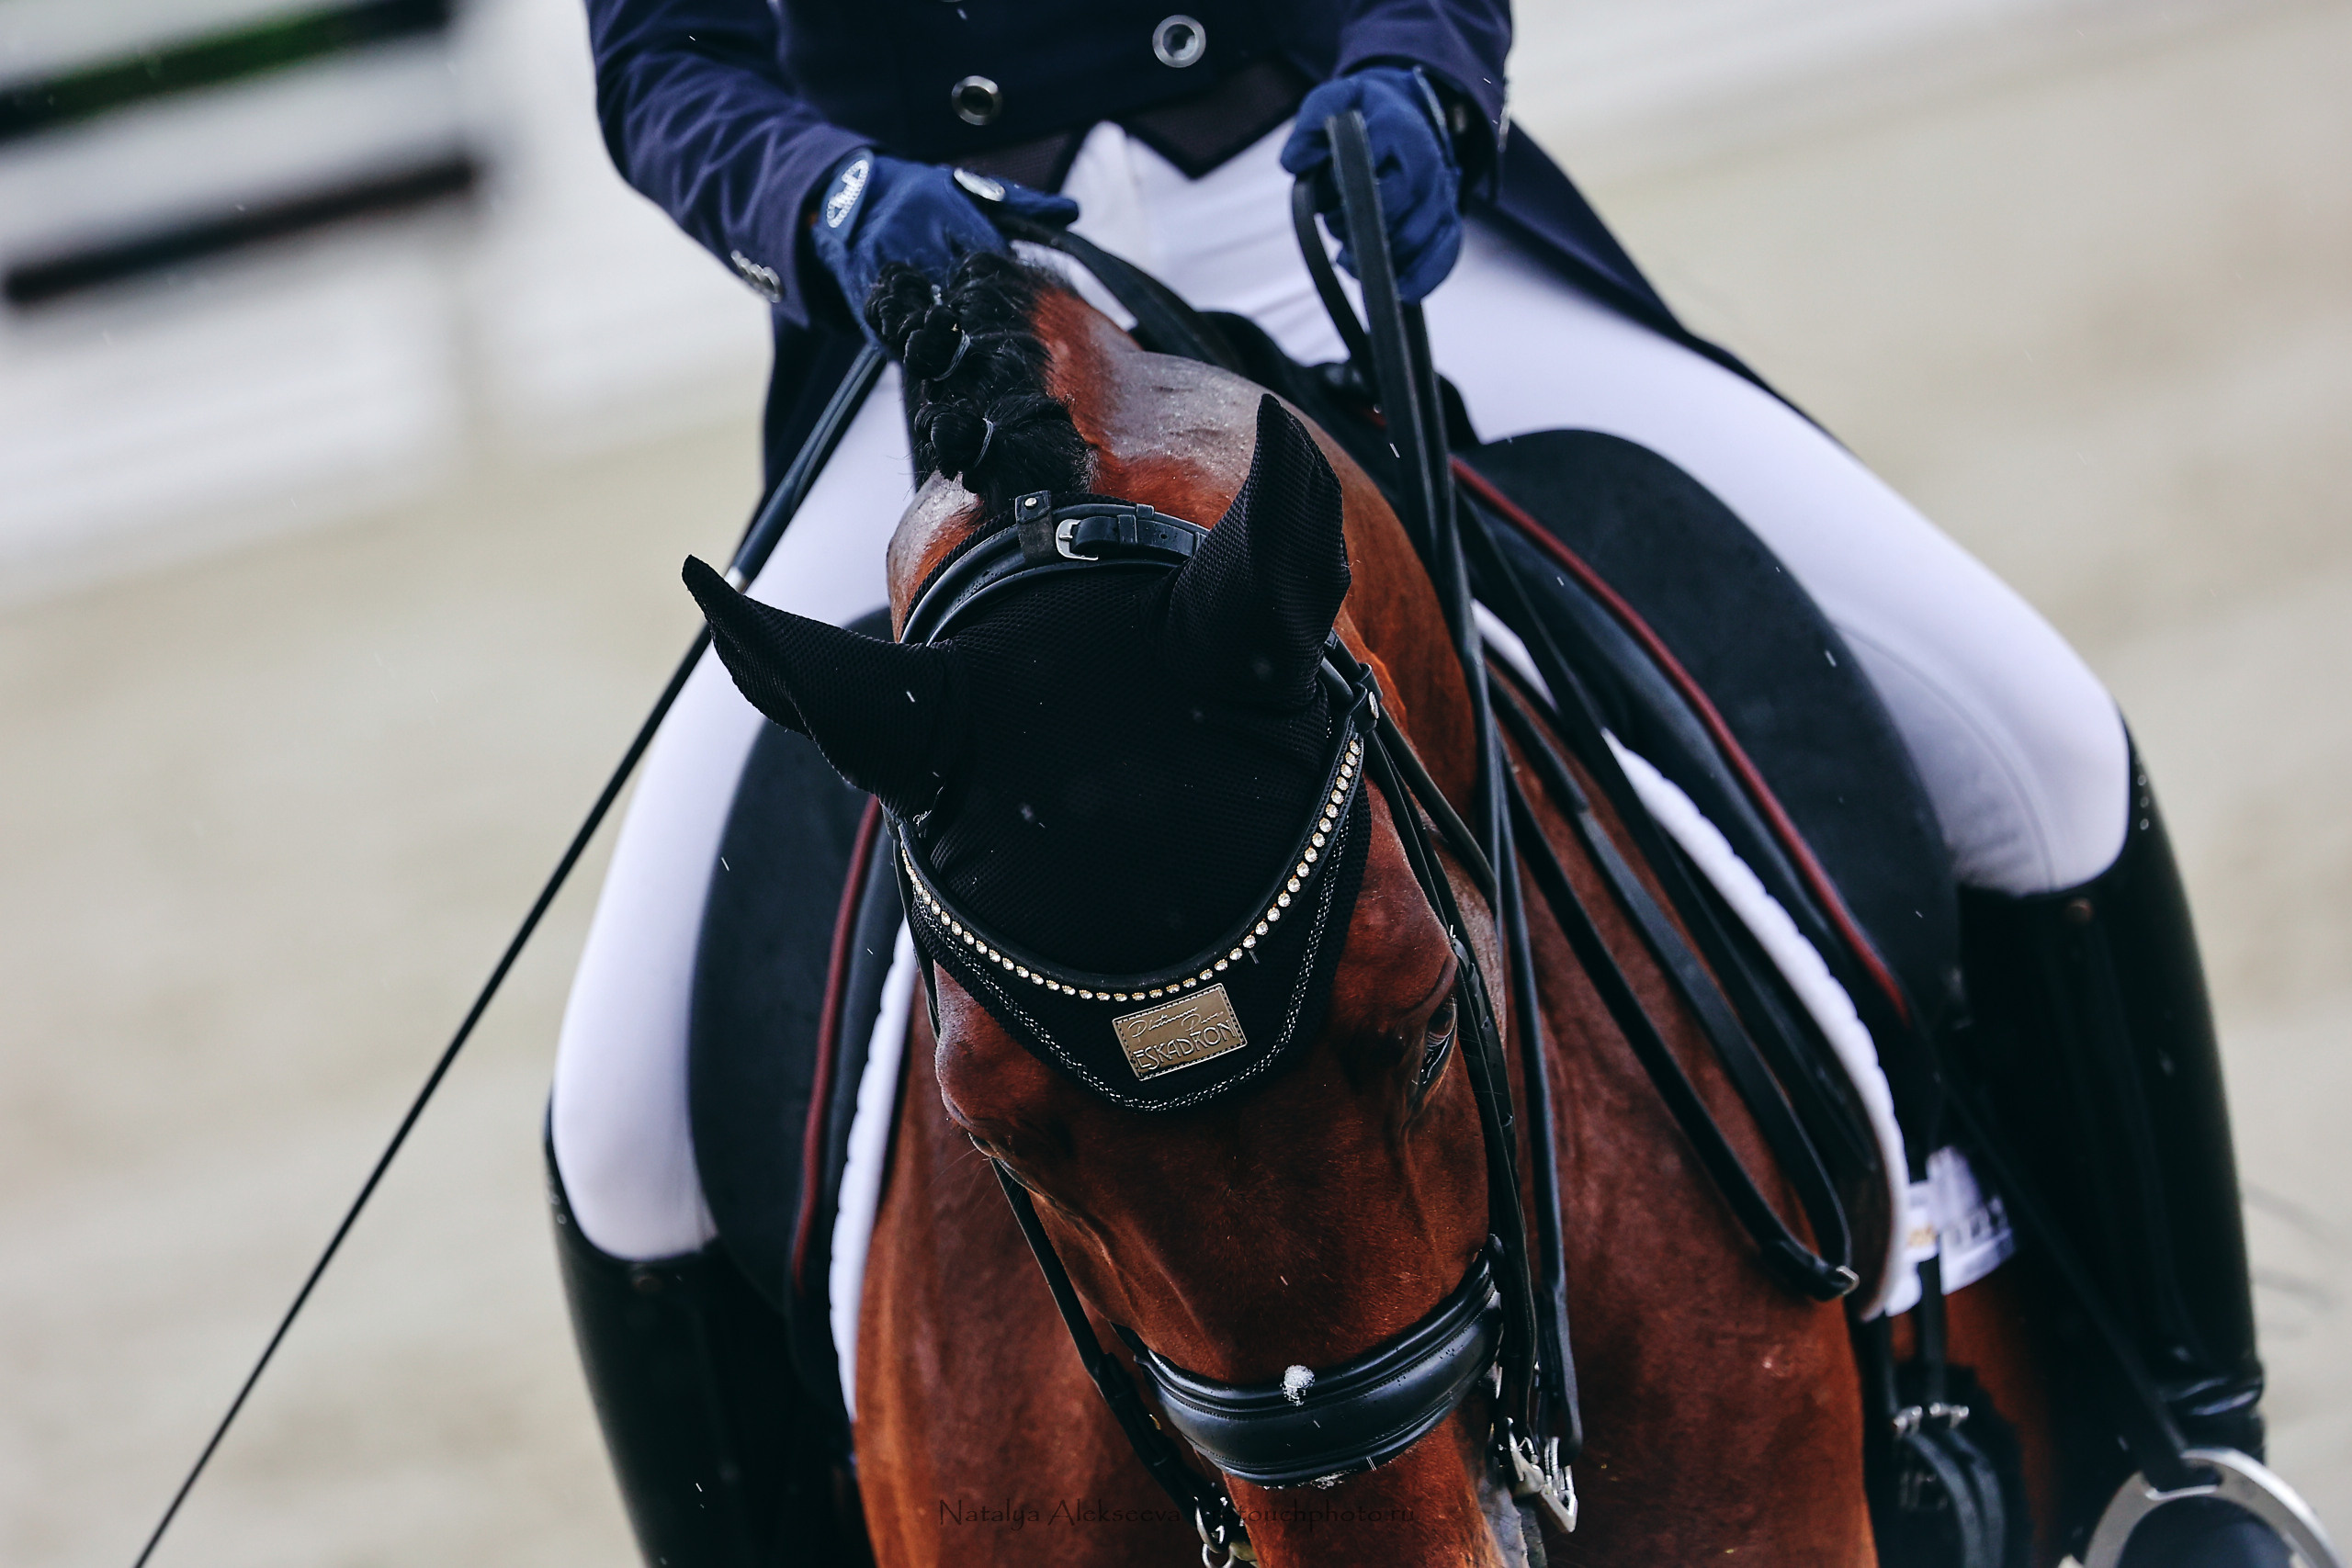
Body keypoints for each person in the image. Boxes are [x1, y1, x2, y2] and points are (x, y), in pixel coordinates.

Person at [546, 3, 2276, 1563]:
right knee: (621, 1126)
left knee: (2040, 746)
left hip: (1324, 215)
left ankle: (2184, 1476)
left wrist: (1418, 72)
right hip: (939, 323)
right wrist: (828, 201)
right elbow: (663, 60)